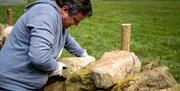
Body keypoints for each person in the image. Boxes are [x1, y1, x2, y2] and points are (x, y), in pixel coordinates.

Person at [0, 0, 94, 90]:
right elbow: (40, 57)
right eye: (75, 20)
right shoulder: (45, 16)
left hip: (23, 83)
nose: (76, 25)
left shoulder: (58, 18)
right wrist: (57, 67)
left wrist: (83, 54)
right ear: (64, 10)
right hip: (12, 84)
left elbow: (66, 38)